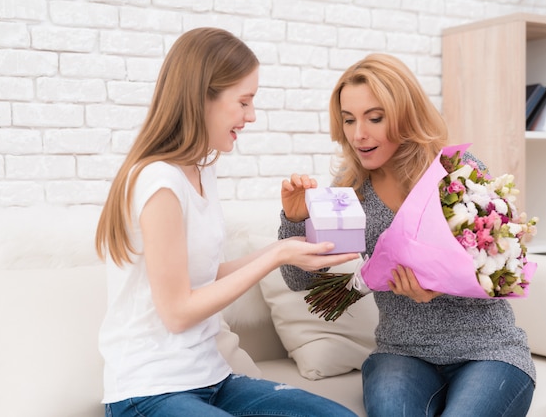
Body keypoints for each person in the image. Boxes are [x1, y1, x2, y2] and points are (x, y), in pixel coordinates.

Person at [94, 27, 359, 417]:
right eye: (244, 101)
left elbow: (206, 276)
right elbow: (178, 310)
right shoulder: (157, 181)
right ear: (203, 97)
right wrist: (276, 256)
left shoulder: (201, 171)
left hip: (212, 380)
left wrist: (286, 252)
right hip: (149, 391)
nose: (251, 116)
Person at [278, 53, 535, 417]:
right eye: (349, 120)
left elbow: (506, 267)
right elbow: (298, 279)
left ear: (405, 115)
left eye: (375, 118)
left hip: (488, 350)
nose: (358, 134)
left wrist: (444, 284)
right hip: (401, 354)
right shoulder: (350, 193)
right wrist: (294, 219)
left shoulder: (458, 173)